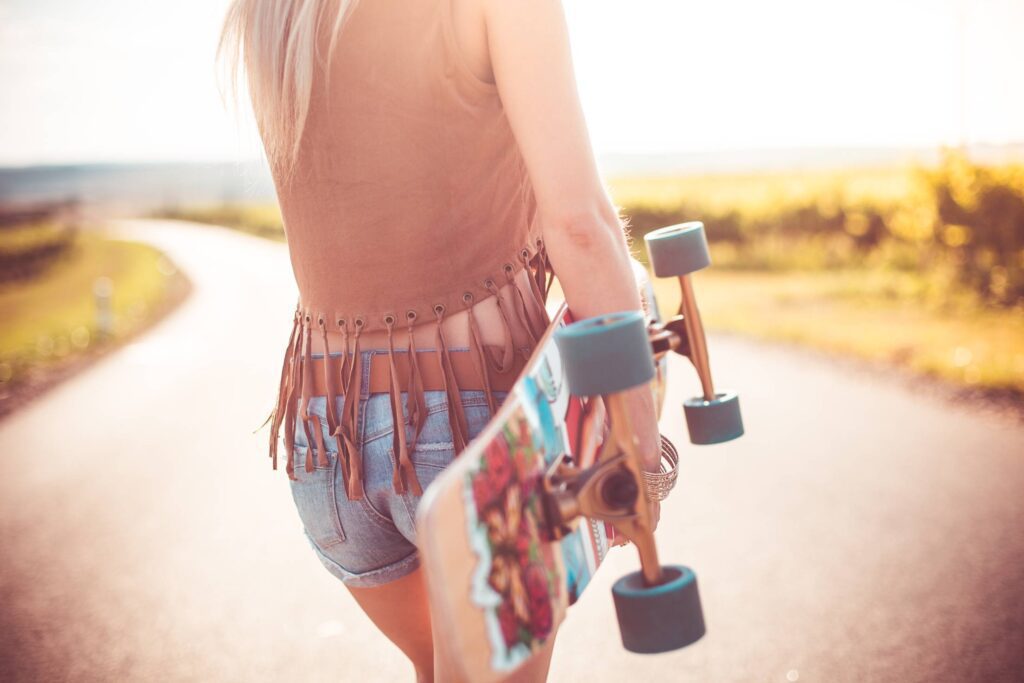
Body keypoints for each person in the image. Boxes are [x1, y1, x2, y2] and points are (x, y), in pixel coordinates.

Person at [220, 0, 660, 680]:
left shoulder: (269, 11)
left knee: (437, 668)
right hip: (468, 434)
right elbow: (579, 224)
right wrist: (641, 446)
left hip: (324, 442)